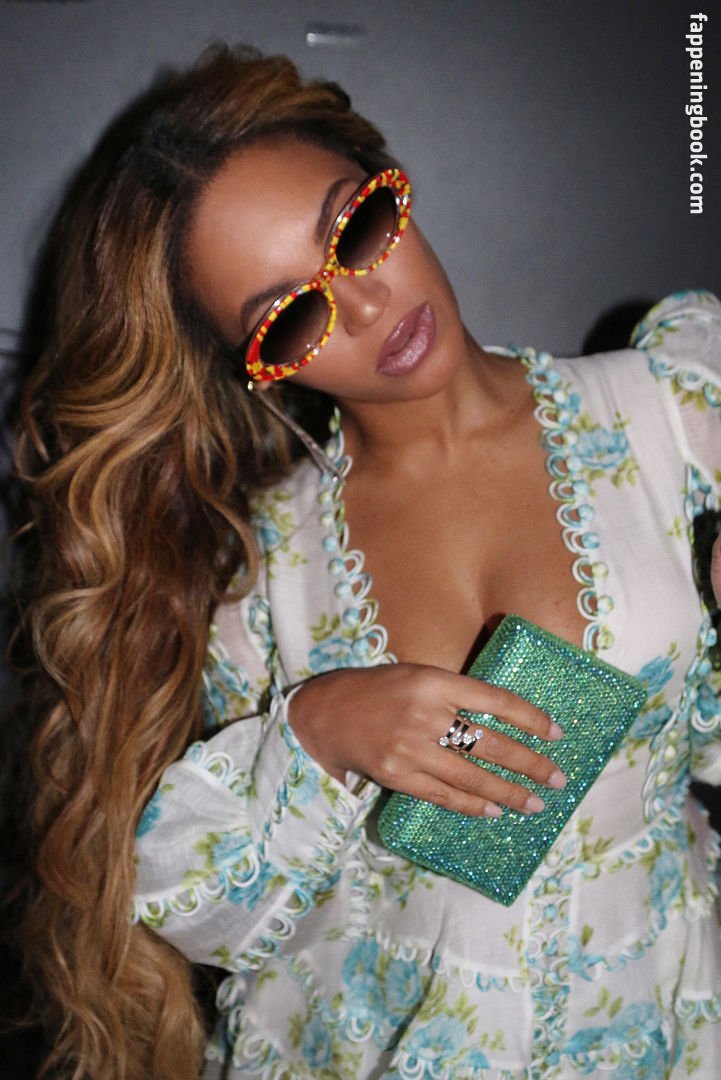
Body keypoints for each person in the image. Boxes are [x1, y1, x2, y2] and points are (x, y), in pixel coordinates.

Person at [14, 43, 721, 1080]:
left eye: (356, 229)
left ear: (394, 184)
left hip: (655, 1026)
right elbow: (203, 910)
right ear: (257, 371)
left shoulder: (675, 407)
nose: (366, 306)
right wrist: (319, 730)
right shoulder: (262, 573)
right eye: (292, 315)